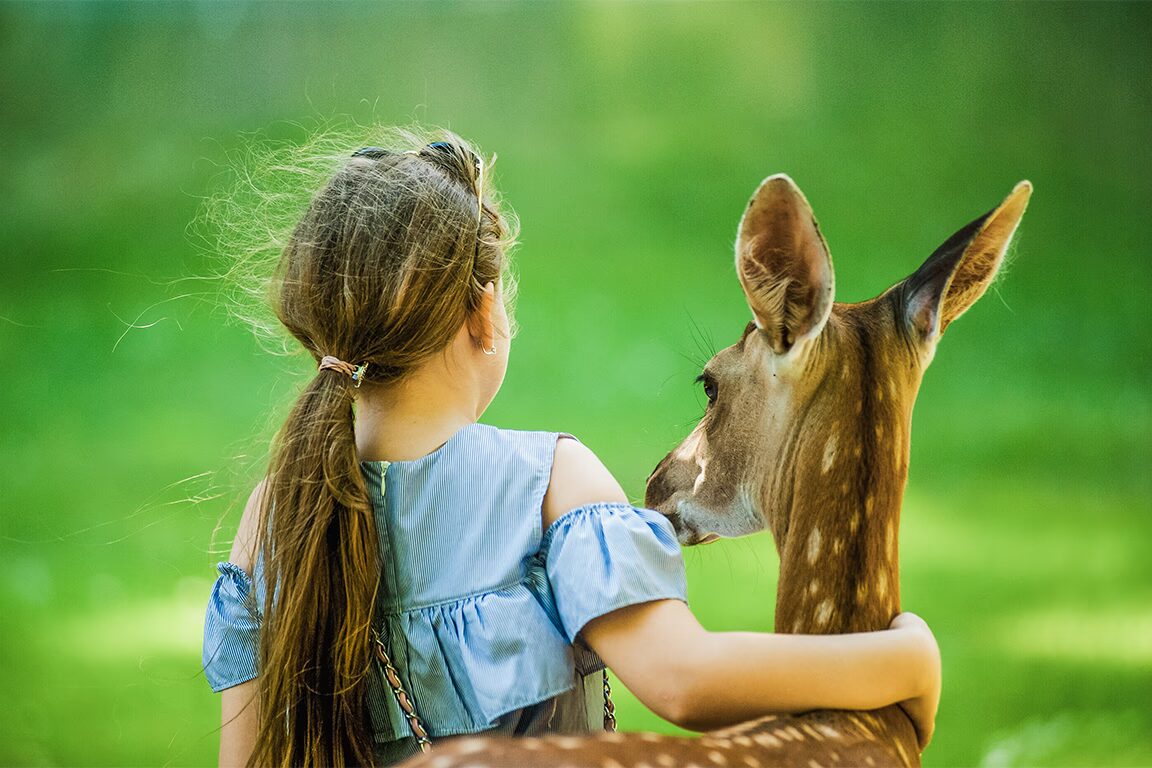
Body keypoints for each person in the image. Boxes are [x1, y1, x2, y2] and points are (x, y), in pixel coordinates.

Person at [202, 130, 941, 767]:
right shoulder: (549, 480)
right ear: (484, 315)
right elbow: (684, 680)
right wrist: (906, 660)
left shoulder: (277, 511)